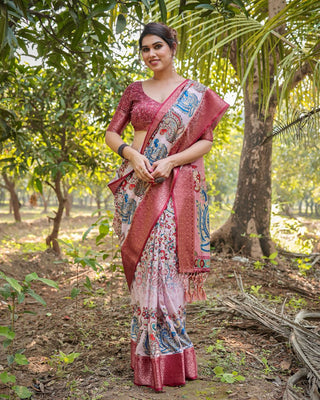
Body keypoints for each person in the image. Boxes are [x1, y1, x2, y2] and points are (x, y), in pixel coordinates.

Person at [105, 22, 229, 392]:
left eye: (158, 46)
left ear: (174, 47)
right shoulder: (133, 91)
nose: (151, 54)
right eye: (144, 49)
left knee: (165, 264)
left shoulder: (194, 94)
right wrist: (130, 153)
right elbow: (112, 132)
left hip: (173, 190)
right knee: (144, 265)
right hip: (136, 187)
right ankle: (147, 351)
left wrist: (171, 162)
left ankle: (171, 348)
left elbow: (205, 143)